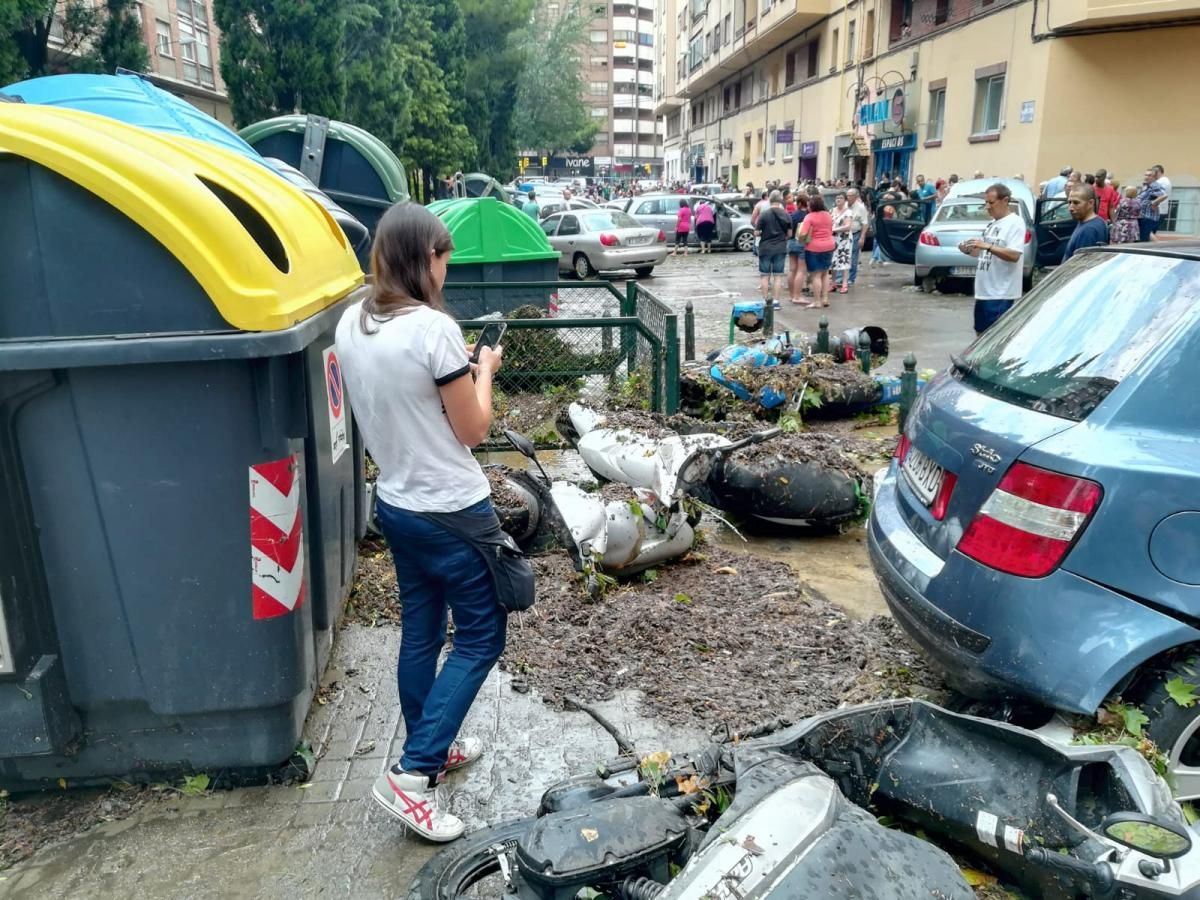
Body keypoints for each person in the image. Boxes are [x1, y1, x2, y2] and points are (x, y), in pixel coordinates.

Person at [336, 204, 507, 842]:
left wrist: (452, 367)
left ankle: (429, 746)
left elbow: (403, 389)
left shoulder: (354, 322)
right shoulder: (433, 329)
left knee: (421, 633)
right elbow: (474, 428)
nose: (445, 270)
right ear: (422, 259)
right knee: (481, 639)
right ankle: (411, 777)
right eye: (443, 259)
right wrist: (481, 372)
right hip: (453, 511)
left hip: (399, 505)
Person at [961, 183, 1025, 334]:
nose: (987, 207)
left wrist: (987, 246)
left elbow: (1014, 255)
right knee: (980, 335)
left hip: (1000, 294)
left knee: (993, 338)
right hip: (983, 292)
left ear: (1005, 201)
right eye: (985, 203)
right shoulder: (992, 224)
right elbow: (982, 253)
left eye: (991, 203)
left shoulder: (1015, 223)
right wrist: (969, 249)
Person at [755, 190, 792, 310]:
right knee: (778, 276)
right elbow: (790, 234)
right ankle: (776, 301)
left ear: (769, 200)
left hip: (765, 247)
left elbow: (756, 232)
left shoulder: (764, 214)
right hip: (780, 248)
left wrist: (761, 233)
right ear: (780, 200)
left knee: (765, 276)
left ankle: (765, 301)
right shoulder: (786, 215)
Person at [798, 194, 835, 309]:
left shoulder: (809, 217)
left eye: (809, 205)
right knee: (825, 273)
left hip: (814, 247)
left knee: (816, 275)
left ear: (812, 206)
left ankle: (817, 301)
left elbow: (803, 234)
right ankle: (825, 298)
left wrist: (800, 238)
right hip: (829, 245)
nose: (808, 207)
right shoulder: (828, 215)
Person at [1061, 185, 1109, 262]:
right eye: (1069, 202)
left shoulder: (1089, 230)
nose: (1070, 208)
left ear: (1090, 203)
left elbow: (1081, 264)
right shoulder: (1098, 222)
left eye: (1076, 203)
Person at [787, 193, 809, 304]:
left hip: (791, 242)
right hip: (803, 243)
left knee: (792, 270)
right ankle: (797, 296)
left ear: (799, 203)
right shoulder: (808, 215)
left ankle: (791, 295)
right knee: (801, 271)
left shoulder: (792, 215)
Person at [830, 193, 854, 293]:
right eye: (837, 197)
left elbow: (848, 226)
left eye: (841, 198)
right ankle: (833, 283)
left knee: (844, 260)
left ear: (845, 200)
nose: (838, 199)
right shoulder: (832, 210)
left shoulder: (848, 212)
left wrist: (835, 229)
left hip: (845, 240)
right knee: (833, 261)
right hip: (834, 239)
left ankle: (844, 284)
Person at [846, 188, 870, 287]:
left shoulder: (861, 207)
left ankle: (851, 278)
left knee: (853, 256)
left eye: (850, 195)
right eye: (847, 195)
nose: (848, 198)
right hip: (844, 234)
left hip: (855, 234)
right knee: (843, 255)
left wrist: (862, 237)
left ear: (856, 197)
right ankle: (839, 278)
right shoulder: (845, 206)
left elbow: (865, 223)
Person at [1136, 169, 1166, 242]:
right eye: (1146, 175)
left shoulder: (1154, 185)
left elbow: (1164, 195)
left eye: (1149, 175)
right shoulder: (1146, 186)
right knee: (1146, 238)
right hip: (1143, 217)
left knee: (1144, 241)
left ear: (1154, 177)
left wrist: (1153, 203)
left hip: (1148, 218)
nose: (1146, 177)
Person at [1152, 164, 1172, 231]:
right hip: (1162, 210)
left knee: (1149, 232)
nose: (1153, 174)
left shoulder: (1160, 182)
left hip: (1157, 210)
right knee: (1152, 231)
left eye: (1154, 172)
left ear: (1159, 172)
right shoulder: (1166, 181)